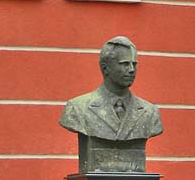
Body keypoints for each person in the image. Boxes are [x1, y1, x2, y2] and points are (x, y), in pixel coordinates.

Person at [60, 36, 163, 172]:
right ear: (105, 68)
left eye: (134, 64)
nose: (132, 69)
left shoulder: (150, 112)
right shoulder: (78, 108)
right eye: (125, 64)